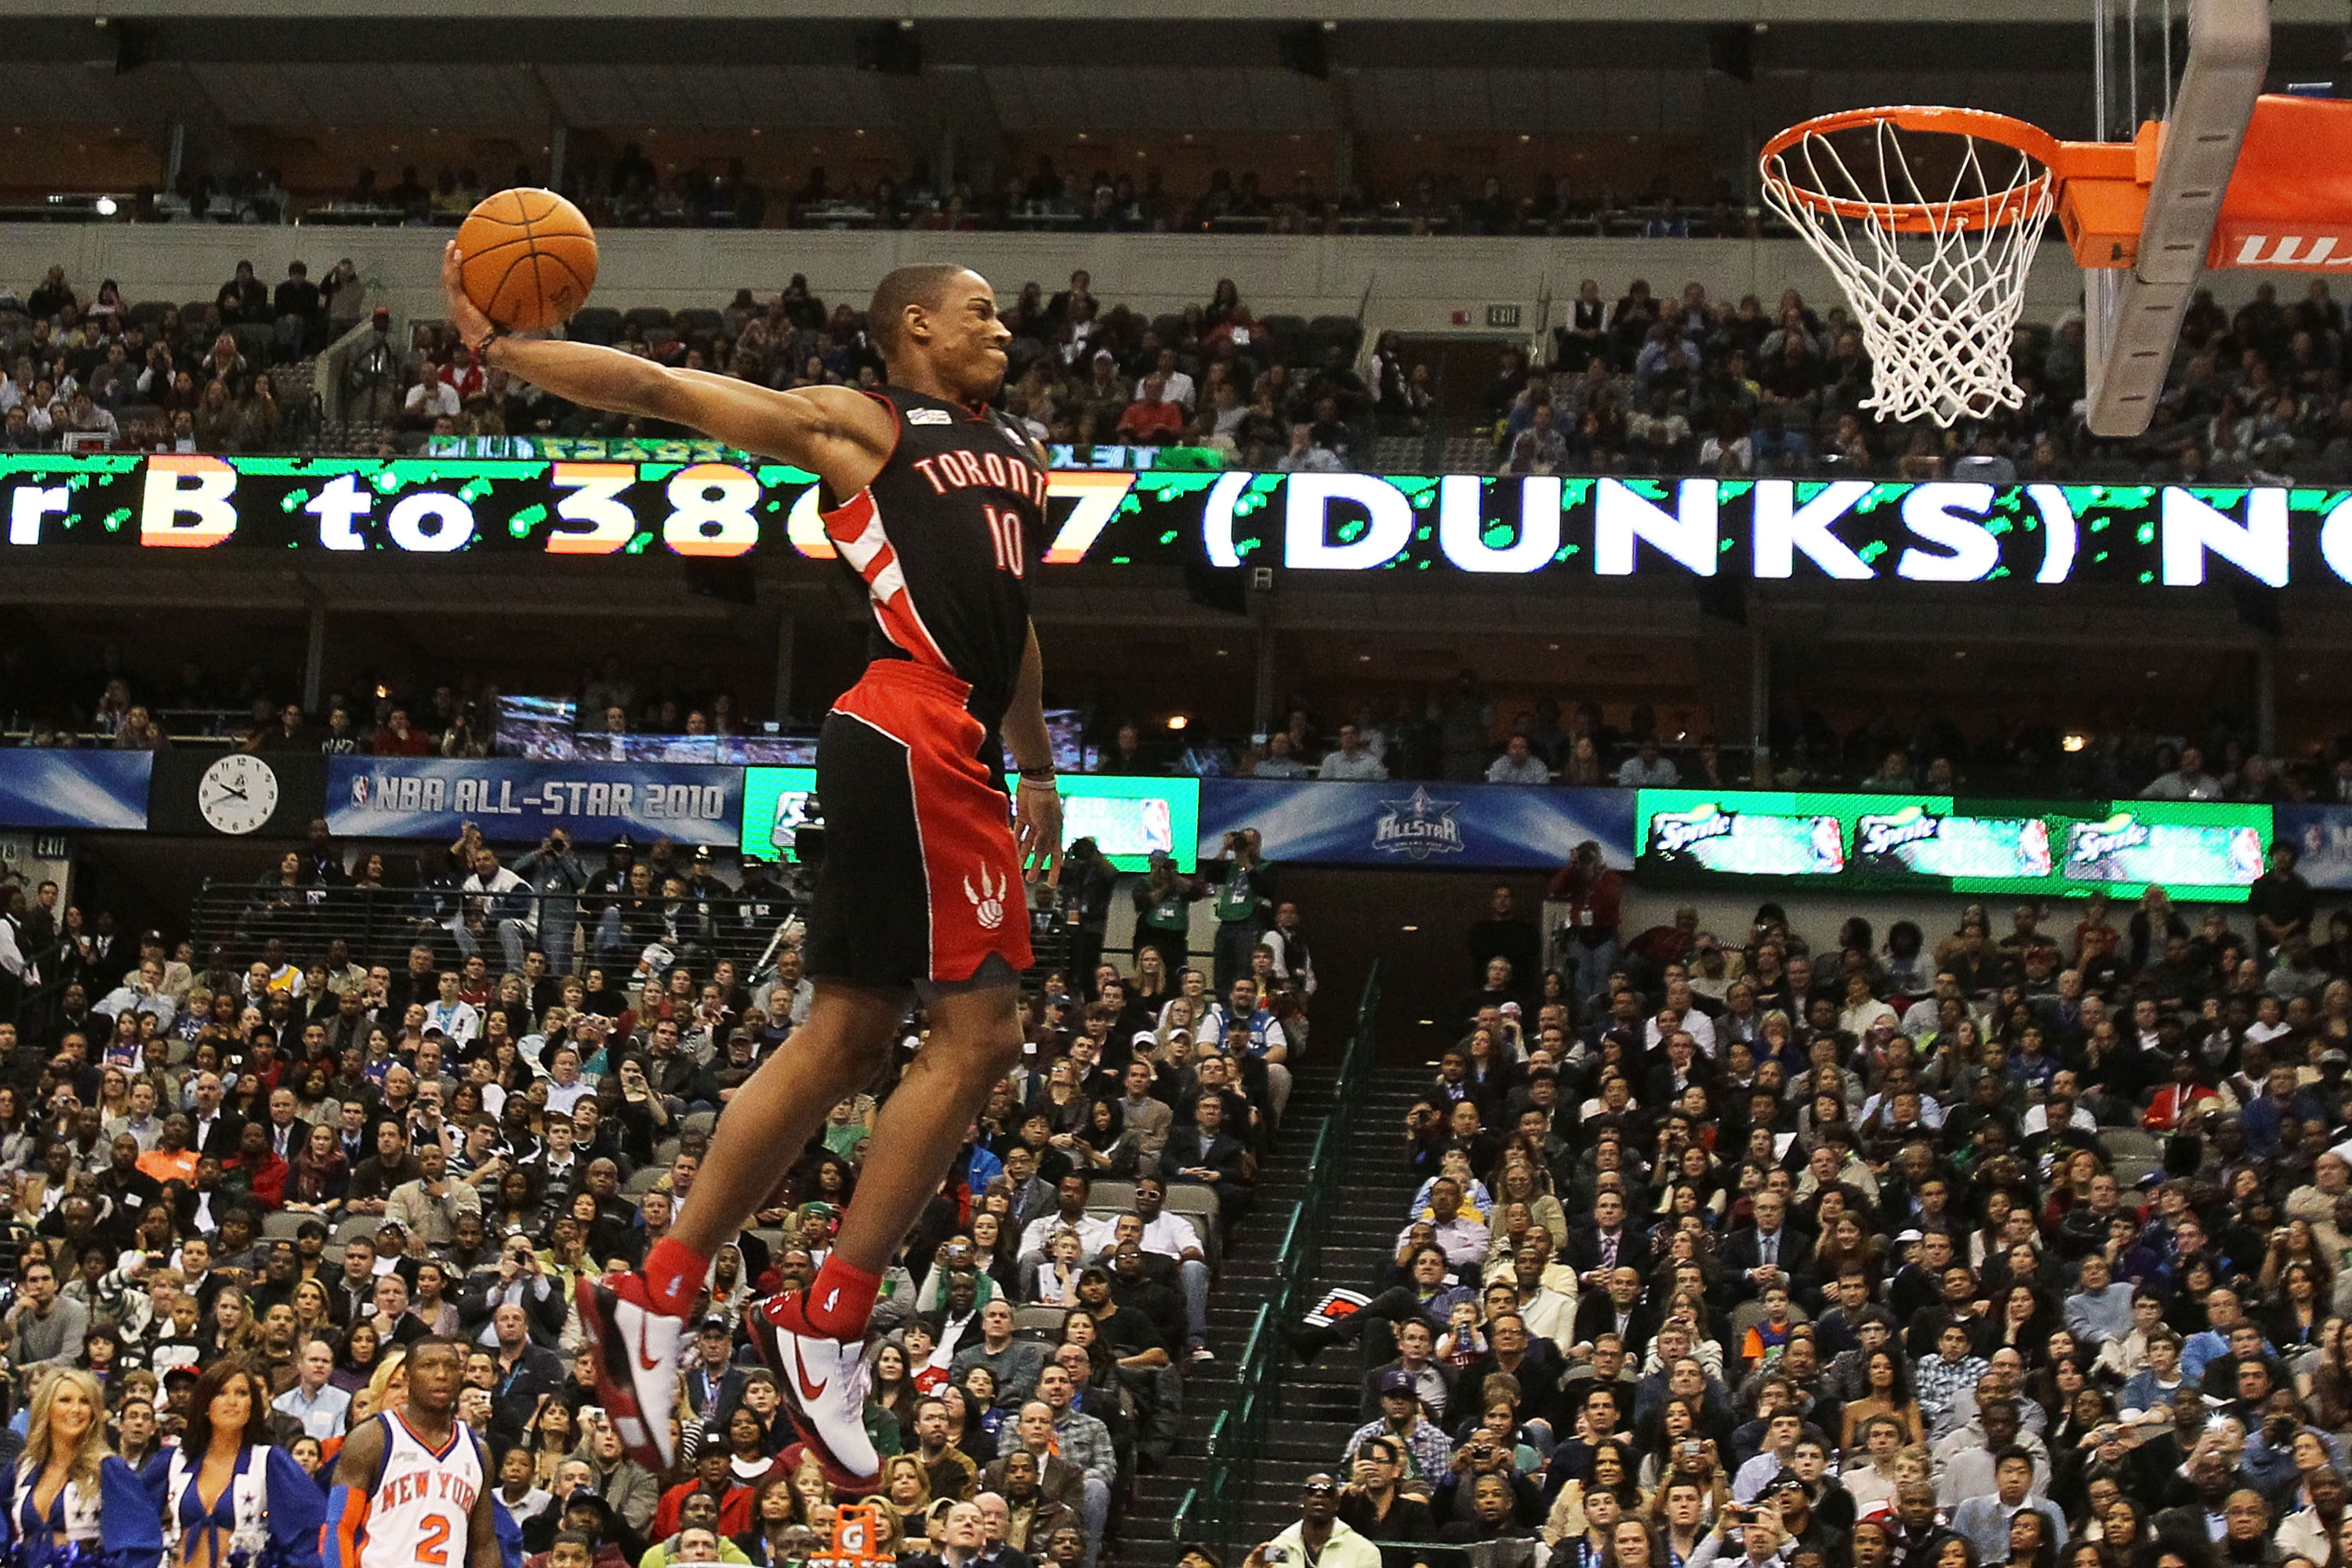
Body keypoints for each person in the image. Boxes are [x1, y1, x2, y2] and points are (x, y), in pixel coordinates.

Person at [465, 252, 1067, 1493]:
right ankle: (829, 1317)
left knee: (852, 1032)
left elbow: (1016, 626)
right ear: (914, 326)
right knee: (985, 1035)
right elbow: (670, 392)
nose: (1002, 328)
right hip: (912, 723)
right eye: (980, 312)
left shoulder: (1022, 448)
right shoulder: (862, 424)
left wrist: (1042, 767)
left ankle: (663, 1290)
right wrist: (513, 354)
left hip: (945, 737)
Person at [324, 1337, 503, 1568]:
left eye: (451, 1366)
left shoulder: (478, 1451)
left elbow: (484, 1546)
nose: (441, 1375)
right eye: (429, 1366)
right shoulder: (373, 1438)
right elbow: (339, 1526)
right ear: (408, 1378)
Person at [164, 1361, 327, 1568]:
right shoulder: (177, 1459)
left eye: (242, 1393)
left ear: (253, 1405)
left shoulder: (269, 1461)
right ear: (205, 1405)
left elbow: (312, 1528)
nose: (233, 1401)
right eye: (221, 1393)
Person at [0, 1368, 163, 1568]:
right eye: (65, 1400)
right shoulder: (21, 1469)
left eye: (85, 1402)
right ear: (45, 1407)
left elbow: (141, 1543)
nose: (76, 1409)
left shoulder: (108, 1468)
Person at [1250, 1475, 1381, 1568]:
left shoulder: (1363, 1551)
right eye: (1311, 1490)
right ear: (1302, 1501)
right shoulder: (1279, 1548)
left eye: (1328, 1492)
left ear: (1337, 1504)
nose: (1319, 1495)